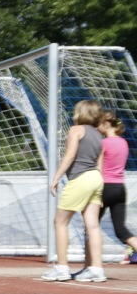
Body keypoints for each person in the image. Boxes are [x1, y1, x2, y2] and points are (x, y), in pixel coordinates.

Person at [42, 100, 105, 282]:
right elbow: (100, 164)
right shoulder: (100, 135)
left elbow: (70, 155)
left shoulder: (76, 130)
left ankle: (61, 267)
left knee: (60, 222)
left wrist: (55, 177)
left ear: (81, 113)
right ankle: (96, 269)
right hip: (96, 178)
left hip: (80, 179)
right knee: (92, 225)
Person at [98, 111, 137, 263]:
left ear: (105, 124)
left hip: (104, 187)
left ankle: (93, 261)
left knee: (91, 225)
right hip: (120, 188)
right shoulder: (123, 142)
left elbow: (99, 168)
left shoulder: (103, 143)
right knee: (121, 230)